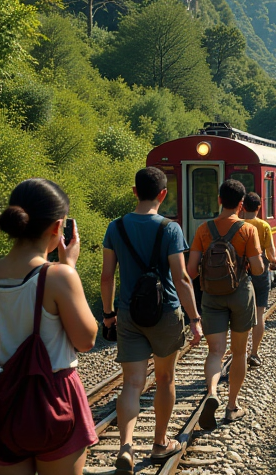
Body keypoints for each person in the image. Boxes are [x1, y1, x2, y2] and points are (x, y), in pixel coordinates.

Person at [100, 168, 203, 472]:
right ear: (163, 194)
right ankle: (160, 443)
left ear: (135, 192)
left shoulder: (115, 227)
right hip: (165, 313)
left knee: (132, 383)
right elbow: (182, 278)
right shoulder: (170, 229)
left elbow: (107, 277)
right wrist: (195, 318)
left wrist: (108, 314)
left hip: (129, 314)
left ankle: (126, 447)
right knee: (165, 378)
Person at [0, 179, 98, 475]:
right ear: (58, 227)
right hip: (53, 397)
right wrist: (70, 268)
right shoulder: (57, 276)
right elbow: (86, 340)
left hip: (4, 397)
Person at [186, 180, 263, 429]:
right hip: (241, 293)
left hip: (212, 296)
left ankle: (211, 392)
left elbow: (191, 271)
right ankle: (232, 407)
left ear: (219, 200)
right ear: (241, 205)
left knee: (215, 352)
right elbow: (259, 269)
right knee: (239, 352)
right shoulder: (248, 230)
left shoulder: (203, 230)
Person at [240, 192, 276, 368]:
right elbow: (270, 251)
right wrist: (274, 261)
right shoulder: (263, 225)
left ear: (243, 207)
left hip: (241, 269)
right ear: (259, 207)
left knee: (240, 313)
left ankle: (239, 352)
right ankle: (254, 353)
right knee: (259, 312)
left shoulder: (238, 224)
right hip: (260, 268)